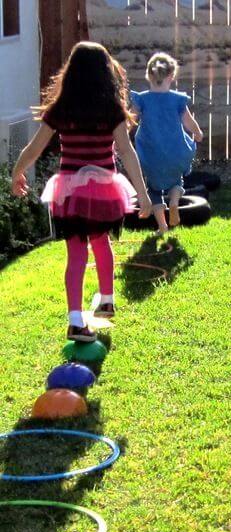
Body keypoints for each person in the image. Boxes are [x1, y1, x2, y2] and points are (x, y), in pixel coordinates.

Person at [11, 41, 152, 342]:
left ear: (71, 73)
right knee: (101, 243)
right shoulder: (112, 109)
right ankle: (107, 298)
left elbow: (34, 148)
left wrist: (17, 171)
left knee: (76, 254)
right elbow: (127, 152)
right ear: (105, 74)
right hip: (104, 191)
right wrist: (143, 193)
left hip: (71, 193)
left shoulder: (61, 110)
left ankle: (76, 321)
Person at [130, 52, 203, 234]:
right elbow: (188, 121)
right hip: (175, 153)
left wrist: (121, 135)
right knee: (176, 181)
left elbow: (129, 120)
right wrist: (198, 133)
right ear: (172, 76)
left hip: (152, 155)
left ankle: (162, 226)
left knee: (154, 189)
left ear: (148, 75)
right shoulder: (177, 99)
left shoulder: (142, 99)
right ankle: (174, 202)